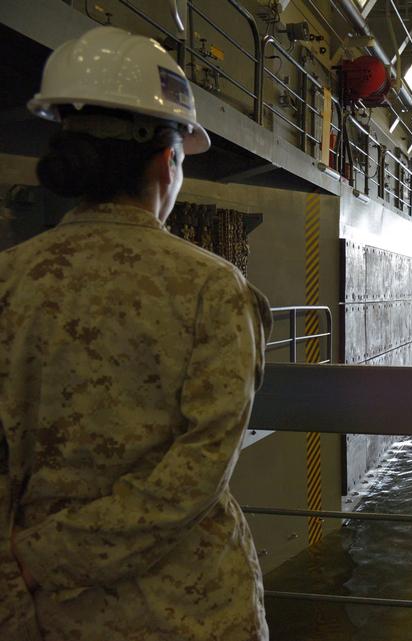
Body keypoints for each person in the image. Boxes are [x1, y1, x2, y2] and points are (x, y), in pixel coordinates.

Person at [0, 27, 271, 641]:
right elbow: (199, 473)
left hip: (45, 610)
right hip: (188, 608)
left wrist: (25, 568)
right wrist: (55, 555)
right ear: (167, 160)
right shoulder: (212, 288)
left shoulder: (8, 280)